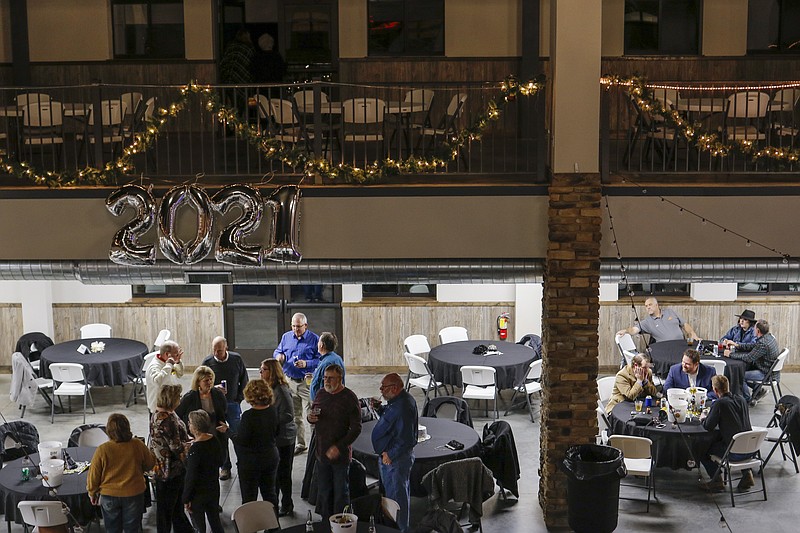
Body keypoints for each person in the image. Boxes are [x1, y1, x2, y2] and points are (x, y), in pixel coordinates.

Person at [308, 364, 361, 523]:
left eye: (330, 378)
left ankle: (341, 524)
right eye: (325, 378)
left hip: (341, 457)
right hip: (321, 453)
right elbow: (313, 413)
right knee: (324, 492)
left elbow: (356, 428)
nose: (326, 381)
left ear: (340, 378)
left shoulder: (349, 397)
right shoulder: (320, 394)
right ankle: (326, 523)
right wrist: (310, 418)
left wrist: (339, 446)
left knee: (341, 494)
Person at [87, 413, 155, 533]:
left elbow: (94, 475)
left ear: (108, 431)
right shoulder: (137, 444)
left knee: (112, 529)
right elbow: (150, 464)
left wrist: (92, 492)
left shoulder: (103, 449)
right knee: (132, 529)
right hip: (134, 493)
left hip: (109, 495)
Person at [370, 373, 418, 533]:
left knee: (397, 498)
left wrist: (390, 454)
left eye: (384, 387)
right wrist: (379, 408)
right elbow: (392, 422)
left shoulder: (404, 407)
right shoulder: (395, 402)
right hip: (391, 459)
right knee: (393, 495)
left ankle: (400, 529)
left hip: (395, 461)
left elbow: (407, 439)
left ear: (395, 388)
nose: (381, 390)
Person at [149, 385, 194, 533]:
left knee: (175, 508)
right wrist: (192, 443)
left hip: (167, 468)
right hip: (169, 471)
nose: (180, 399)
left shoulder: (162, 414)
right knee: (166, 511)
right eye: (178, 396)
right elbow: (176, 447)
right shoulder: (166, 420)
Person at [201, 336, 248, 480]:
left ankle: (243, 464)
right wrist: (213, 389)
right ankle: (225, 467)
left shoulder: (236, 359)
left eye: (219, 350)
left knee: (236, 434)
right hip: (216, 406)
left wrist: (239, 398)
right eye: (214, 350)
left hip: (233, 404)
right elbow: (201, 382)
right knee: (221, 437)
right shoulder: (208, 362)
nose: (216, 353)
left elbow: (244, 380)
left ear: (226, 348)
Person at [274, 312, 320, 454]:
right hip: (290, 381)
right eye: (293, 326)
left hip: (307, 383)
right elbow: (277, 351)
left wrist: (306, 363)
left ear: (305, 325)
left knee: (311, 414)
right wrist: (279, 356)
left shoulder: (314, 339)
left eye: (299, 326)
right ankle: (301, 444)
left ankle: (315, 444)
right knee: (295, 415)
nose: (296, 329)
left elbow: (320, 359)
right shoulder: (286, 337)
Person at [700, 375, 754, 492]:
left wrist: (703, 417)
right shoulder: (742, 400)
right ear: (728, 387)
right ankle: (747, 473)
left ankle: (717, 481)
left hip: (734, 452)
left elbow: (708, 426)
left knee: (701, 449)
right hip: (751, 450)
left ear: (715, 390)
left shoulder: (720, 404)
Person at [259, 358, 297, 517]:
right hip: (274, 438)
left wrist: (269, 420)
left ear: (272, 372)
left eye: (264, 370)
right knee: (275, 474)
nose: (260, 372)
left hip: (284, 439)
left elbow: (288, 415)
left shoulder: (281, 390)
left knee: (283, 474)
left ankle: (287, 504)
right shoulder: (268, 388)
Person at [233, 379, 280, 508]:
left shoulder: (248, 416)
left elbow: (241, 440)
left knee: (249, 498)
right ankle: (273, 525)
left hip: (251, 462)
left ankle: (251, 526)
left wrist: (228, 432)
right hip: (270, 456)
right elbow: (277, 432)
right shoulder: (273, 411)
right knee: (270, 494)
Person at [175, 366, 229, 476]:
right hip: (197, 435)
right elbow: (178, 414)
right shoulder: (190, 397)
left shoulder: (217, 394)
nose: (209, 383)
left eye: (210, 379)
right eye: (206, 380)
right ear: (198, 382)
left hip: (215, 431)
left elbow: (224, 410)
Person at [183, 410, 225, 533]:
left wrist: (186, 499)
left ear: (195, 428)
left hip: (198, 494)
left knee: (200, 527)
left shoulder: (195, 449)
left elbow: (191, 476)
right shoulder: (214, 440)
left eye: (190, 423)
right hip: (213, 488)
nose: (188, 425)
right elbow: (221, 461)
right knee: (215, 521)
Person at [724, 319, 780, 405]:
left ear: (757, 330)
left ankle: (748, 399)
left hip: (766, 373)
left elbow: (748, 358)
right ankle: (758, 392)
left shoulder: (763, 344)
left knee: (739, 375)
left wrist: (730, 355)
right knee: (743, 370)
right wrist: (737, 344)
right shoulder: (768, 337)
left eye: (754, 328)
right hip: (769, 370)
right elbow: (753, 346)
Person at [616, 297, 700, 344]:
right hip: (665, 349)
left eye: (650, 305)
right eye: (646, 306)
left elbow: (684, 324)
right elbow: (634, 330)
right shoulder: (647, 322)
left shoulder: (670, 312)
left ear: (656, 305)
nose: (648, 307)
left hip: (681, 345)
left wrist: (693, 334)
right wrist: (626, 330)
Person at [146, 340, 185, 414]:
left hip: (170, 404)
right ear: (167, 354)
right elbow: (158, 382)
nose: (177, 356)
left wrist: (178, 362)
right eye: (176, 354)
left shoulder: (170, 361)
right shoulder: (154, 366)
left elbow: (180, 374)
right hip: (158, 409)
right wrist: (169, 365)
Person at [309, 332, 345, 402]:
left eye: (319, 341)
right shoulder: (337, 358)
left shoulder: (326, 363)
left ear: (322, 345)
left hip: (325, 402)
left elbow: (325, 384)